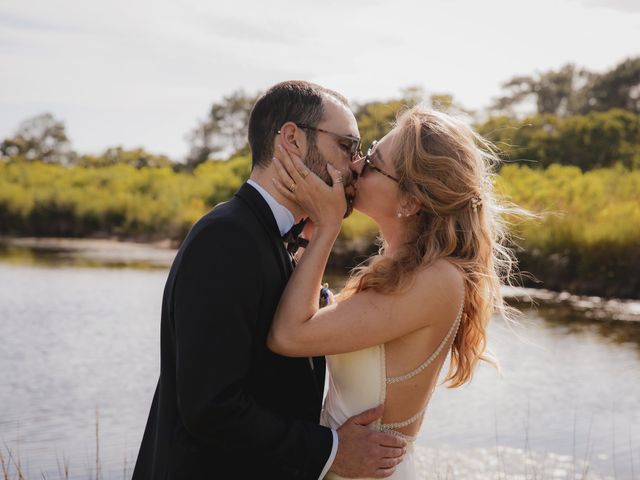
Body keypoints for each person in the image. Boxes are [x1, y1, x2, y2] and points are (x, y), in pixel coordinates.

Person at [132, 80, 407, 480]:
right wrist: (332, 449)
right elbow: (210, 407)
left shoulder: (280, 237)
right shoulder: (225, 238)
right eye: (347, 146)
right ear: (292, 139)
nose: (356, 164)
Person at [268, 106, 516, 479]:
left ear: (410, 201)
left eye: (371, 162)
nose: (354, 167)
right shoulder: (399, 272)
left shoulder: (437, 280)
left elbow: (288, 335)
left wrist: (330, 225)